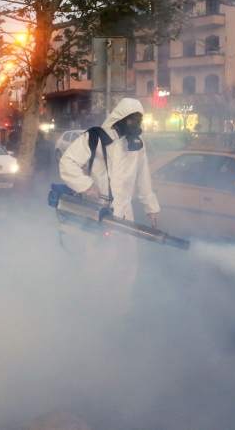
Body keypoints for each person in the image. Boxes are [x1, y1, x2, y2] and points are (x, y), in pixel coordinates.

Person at [59, 98, 161, 314]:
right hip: (100, 210)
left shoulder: (136, 144)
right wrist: (87, 185)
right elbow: (67, 162)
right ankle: (92, 311)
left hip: (125, 212)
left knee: (126, 264)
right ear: (121, 119)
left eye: (139, 120)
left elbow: (143, 177)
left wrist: (150, 208)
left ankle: (118, 311)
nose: (136, 124)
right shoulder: (95, 136)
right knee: (98, 263)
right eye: (132, 119)